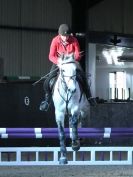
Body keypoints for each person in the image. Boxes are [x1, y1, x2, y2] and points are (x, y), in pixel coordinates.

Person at [39, 24, 96, 111]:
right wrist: (59, 62)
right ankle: (47, 101)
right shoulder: (55, 40)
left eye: (67, 36)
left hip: (72, 62)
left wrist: (72, 59)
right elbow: (51, 56)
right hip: (59, 62)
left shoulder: (74, 40)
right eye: (63, 36)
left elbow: (77, 54)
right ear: (59, 34)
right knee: (48, 80)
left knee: (83, 77)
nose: (65, 38)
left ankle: (89, 97)